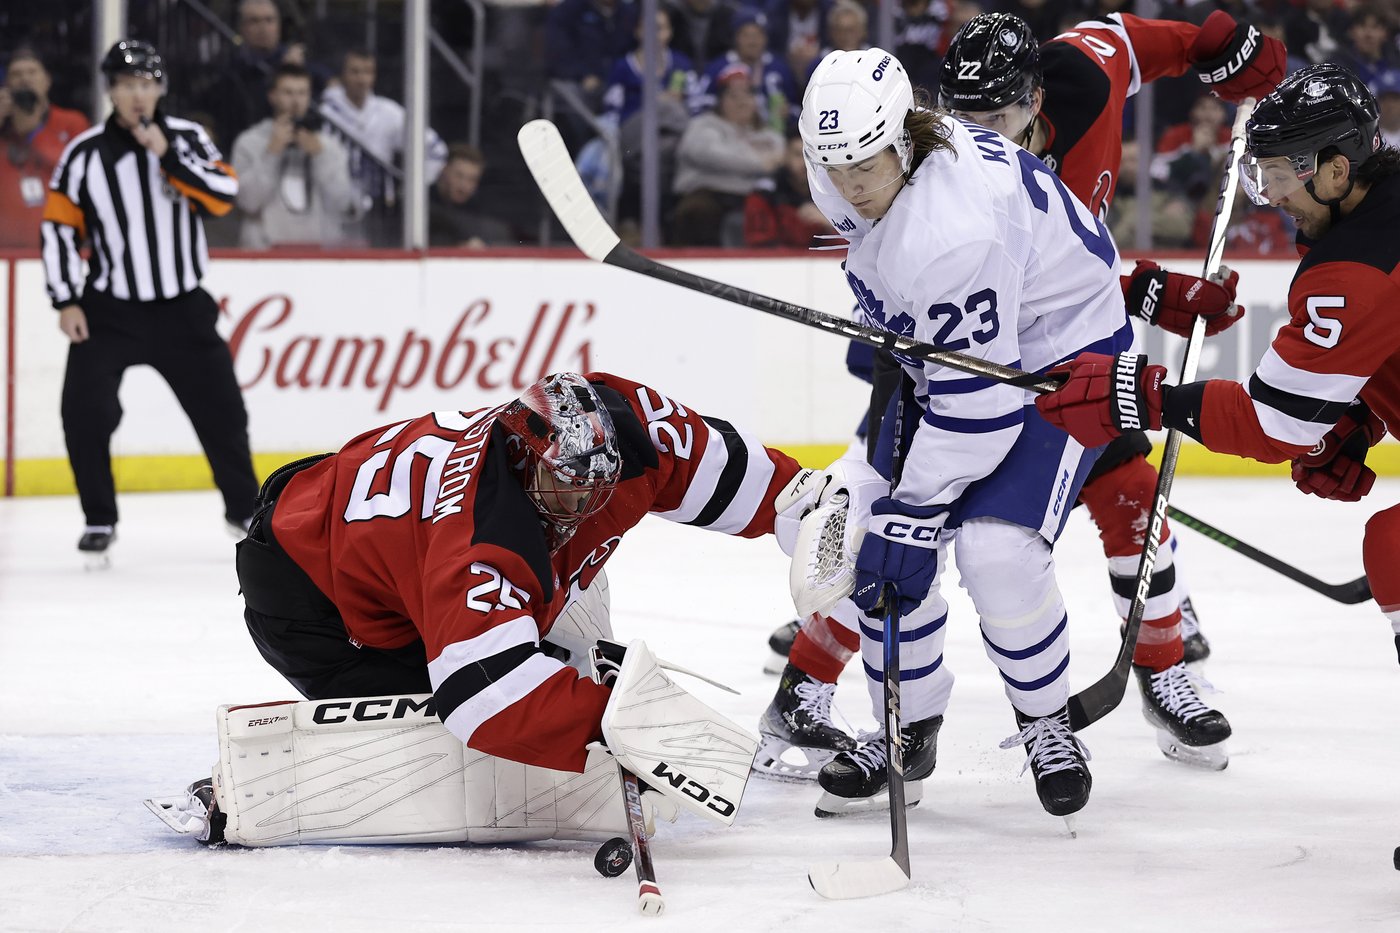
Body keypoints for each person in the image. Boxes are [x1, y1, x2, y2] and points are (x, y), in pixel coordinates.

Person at [153, 371, 819, 846]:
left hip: (360, 519)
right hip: (311, 593)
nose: (586, 503)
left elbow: (715, 463)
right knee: (450, 741)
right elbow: (486, 701)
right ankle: (243, 793)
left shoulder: (615, 426)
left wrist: (806, 508)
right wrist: (614, 727)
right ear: (522, 457)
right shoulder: (479, 542)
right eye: (566, 486)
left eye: (600, 483)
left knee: (559, 609)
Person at [785, 46, 1138, 822]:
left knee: (994, 549)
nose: (848, 188)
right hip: (966, 346)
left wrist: (918, 511)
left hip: (1059, 358)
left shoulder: (953, 229)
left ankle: (1045, 718)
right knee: (874, 536)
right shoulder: (871, 159)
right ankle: (906, 726)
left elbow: (979, 410)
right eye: (832, 167)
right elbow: (900, 275)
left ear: (904, 142)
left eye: (865, 169)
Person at [1034, 63, 1400, 670]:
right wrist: (1357, 416)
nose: (1273, 194)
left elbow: (1272, 425)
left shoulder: (1354, 271)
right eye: (1265, 175)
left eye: (1282, 175)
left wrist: (1144, 397)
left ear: (1337, 171)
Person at [40, 40, 258, 566]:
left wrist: (168, 156)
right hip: (109, 309)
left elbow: (223, 196)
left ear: (159, 88)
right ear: (110, 91)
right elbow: (58, 229)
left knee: (223, 413)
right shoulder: (85, 153)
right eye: (125, 85)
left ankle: (245, 511)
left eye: (145, 84)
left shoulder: (187, 138)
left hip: (182, 307)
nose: (136, 95)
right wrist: (66, 300)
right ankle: (99, 518)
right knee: (84, 413)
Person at [318, 48, 449, 245]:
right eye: (355, 71)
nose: (362, 79)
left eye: (368, 72)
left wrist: (412, 186)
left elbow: (436, 150)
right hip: (331, 210)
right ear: (343, 74)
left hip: (378, 212)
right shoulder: (324, 112)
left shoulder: (388, 112)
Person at [230, 63, 356, 249]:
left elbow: (344, 204)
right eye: (288, 93)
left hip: (319, 257)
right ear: (272, 96)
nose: (296, 101)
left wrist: (320, 157)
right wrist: (271, 153)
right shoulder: (249, 143)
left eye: (302, 93)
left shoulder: (329, 147)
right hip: (262, 256)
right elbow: (247, 203)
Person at [671, 68, 785, 246]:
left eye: (747, 95)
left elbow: (780, 157)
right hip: (709, 194)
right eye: (733, 96)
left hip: (752, 198)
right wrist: (759, 163)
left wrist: (735, 156)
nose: (742, 102)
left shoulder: (767, 134)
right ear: (721, 101)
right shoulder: (703, 124)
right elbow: (707, 153)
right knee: (697, 211)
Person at [0, 48, 89, 248]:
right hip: (5, 253)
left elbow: (83, 178)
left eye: (32, 72)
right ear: (6, 85)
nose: (25, 79)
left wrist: (33, 131)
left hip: (60, 246)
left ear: (47, 80)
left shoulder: (71, 123)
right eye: (17, 74)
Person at [427, 143, 512, 247]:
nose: (464, 186)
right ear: (444, 170)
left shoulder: (478, 210)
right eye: (459, 176)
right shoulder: (422, 204)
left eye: (472, 180)